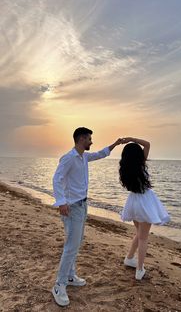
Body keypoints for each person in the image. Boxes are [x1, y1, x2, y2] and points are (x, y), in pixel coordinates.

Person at [52, 127, 123, 306]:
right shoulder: (69, 158)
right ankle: (59, 285)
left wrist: (115, 144)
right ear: (81, 139)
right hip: (72, 208)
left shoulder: (84, 157)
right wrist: (61, 202)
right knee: (71, 246)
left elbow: (101, 154)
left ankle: (69, 276)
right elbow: (57, 179)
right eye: (89, 138)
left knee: (76, 243)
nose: (91, 141)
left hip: (82, 205)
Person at [119, 137, 170, 280]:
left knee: (139, 233)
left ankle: (129, 258)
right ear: (138, 155)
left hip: (133, 202)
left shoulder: (125, 169)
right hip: (145, 202)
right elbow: (147, 143)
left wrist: (128, 141)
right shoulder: (141, 165)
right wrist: (130, 138)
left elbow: (146, 145)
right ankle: (140, 269)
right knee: (143, 238)